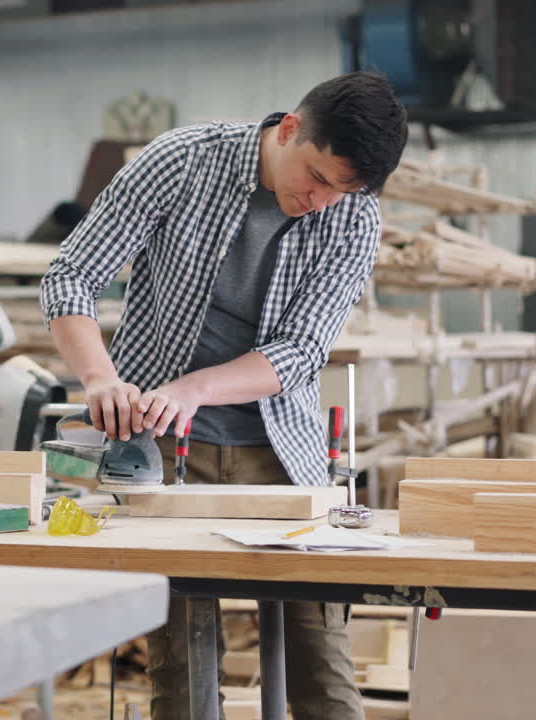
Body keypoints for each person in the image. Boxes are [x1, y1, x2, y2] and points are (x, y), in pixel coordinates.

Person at [40, 71, 408, 720]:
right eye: (317, 178)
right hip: (163, 453)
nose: (321, 201)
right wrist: (100, 378)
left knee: (323, 672)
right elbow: (72, 275)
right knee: (183, 679)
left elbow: (301, 350)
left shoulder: (355, 215)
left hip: (283, 458)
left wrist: (196, 388)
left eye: (342, 190)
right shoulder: (181, 161)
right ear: (290, 130)